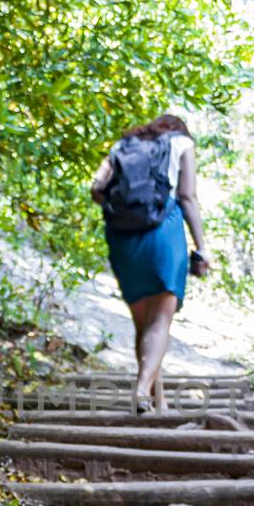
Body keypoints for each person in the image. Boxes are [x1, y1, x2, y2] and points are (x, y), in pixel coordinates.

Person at [90, 113, 211, 412]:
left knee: (142, 324)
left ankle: (158, 400)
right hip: (162, 233)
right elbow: (187, 196)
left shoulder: (123, 145)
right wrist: (202, 247)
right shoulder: (182, 143)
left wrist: (125, 210)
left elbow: (95, 188)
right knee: (160, 321)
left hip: (121, 237)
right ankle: (142, 389)